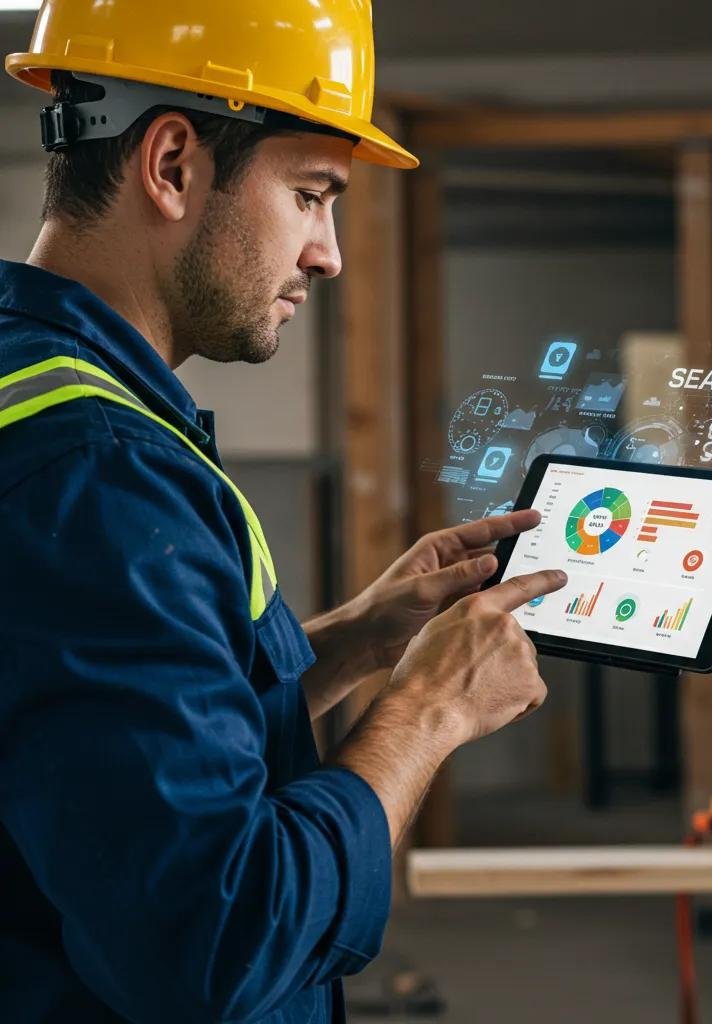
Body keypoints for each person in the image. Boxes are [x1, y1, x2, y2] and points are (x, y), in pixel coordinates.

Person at [0, 2, 567, 1021]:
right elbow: (218, 941)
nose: (328, 253)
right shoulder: (98, 473)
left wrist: (352, 647)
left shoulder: (35, 390)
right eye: (311, 195)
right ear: (171, 162)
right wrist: (426, 713)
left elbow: (88, 749)